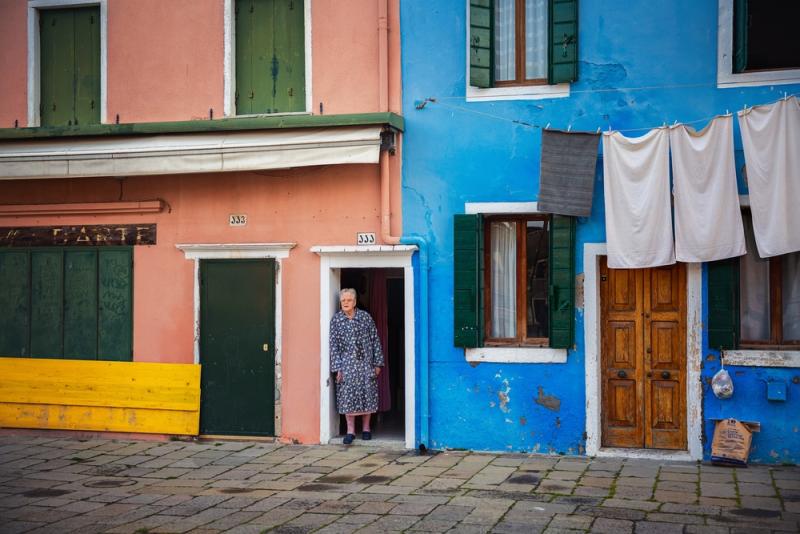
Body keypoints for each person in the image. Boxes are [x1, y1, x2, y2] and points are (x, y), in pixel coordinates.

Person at [329, 287, 384, 445]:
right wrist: (337, 368)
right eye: (343, 300)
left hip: (366, 363)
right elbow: (334, 346)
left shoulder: (365, 317)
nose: (345, 303)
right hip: (347, 365)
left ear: (355, 302)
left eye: (349, 300)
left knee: (368, 394)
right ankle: (350, 431)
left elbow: (375, 340)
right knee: (347, 397)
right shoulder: (337, 320)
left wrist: (378, 363)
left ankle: (366, 429)